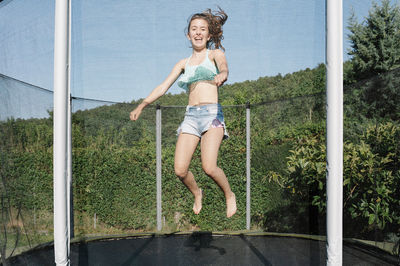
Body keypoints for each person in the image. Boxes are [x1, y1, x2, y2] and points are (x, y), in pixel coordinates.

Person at [130, 7, 237, 218]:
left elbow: (224, 67)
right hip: (191, 117)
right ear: (188, 35)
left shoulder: (215, 54)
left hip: (212, 115)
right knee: (180, 170)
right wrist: (142, 105)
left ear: (209, 35)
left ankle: (229, 194)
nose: (198, 32)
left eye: (202, 29)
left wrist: (223, 74)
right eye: (194, 29)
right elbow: (162, 87)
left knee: (209, 167)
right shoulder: (183, 63)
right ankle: (197, 193)